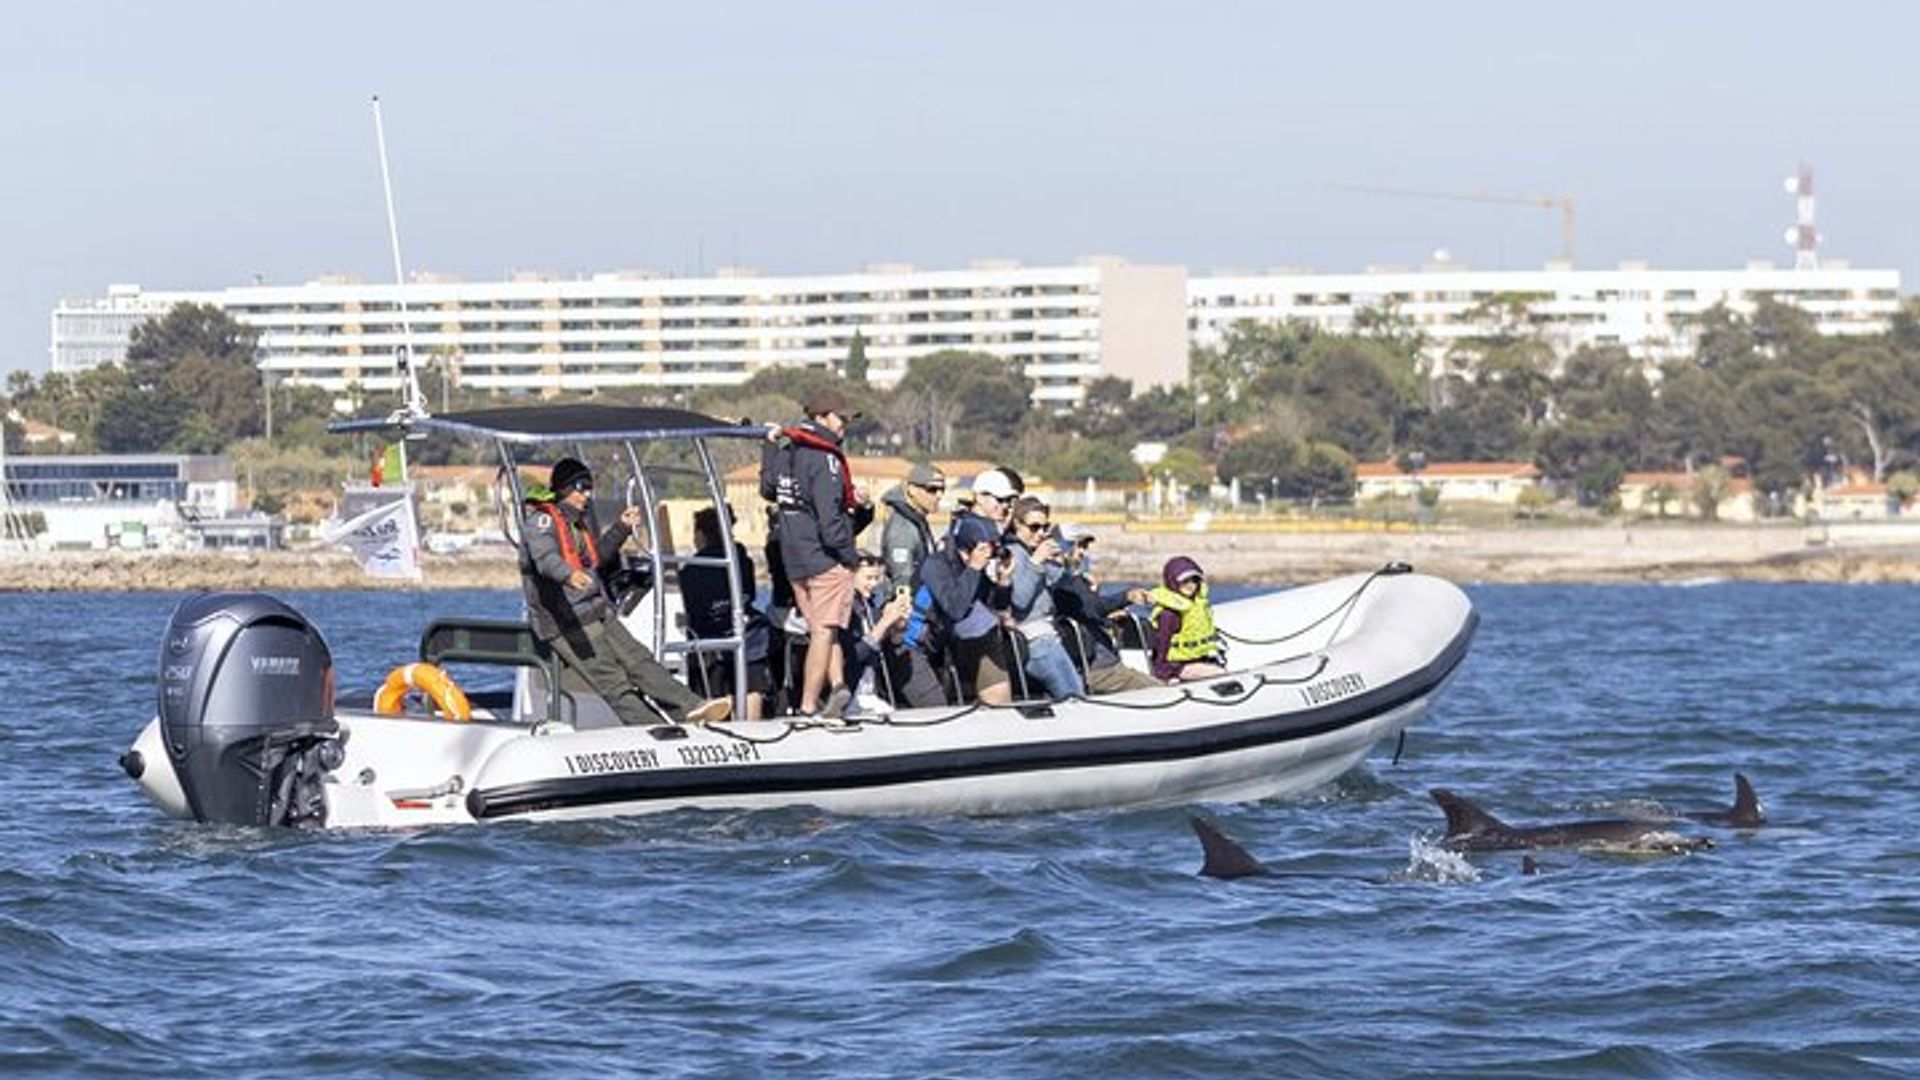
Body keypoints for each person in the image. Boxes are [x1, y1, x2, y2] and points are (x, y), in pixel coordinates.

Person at [520, 458, 731, 727]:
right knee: (614, 682)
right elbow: (545, 559)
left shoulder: (575, 524)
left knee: (640, 660)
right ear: (564, 489)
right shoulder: (541, 523)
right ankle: (653, 727)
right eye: (581, 487)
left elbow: (596, 558)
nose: (587, 494)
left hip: (594, 610)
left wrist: (621, 528)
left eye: (589, 487)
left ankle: (691, 708)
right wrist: (568, 575)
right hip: (566, 621)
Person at [761, 387, 873, 717]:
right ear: (822, 417)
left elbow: (768, 488)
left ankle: (838, 687)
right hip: (824, 558)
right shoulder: (824, 457)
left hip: (794, 559)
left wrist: (768, 446)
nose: (845, 426)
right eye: (841, 419)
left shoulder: (787, 447)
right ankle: (808, 707)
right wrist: (850, 557)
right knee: (824, 633)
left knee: (825, 627)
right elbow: (829, 519)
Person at [680, 505, 774, 720]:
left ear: (700, 534)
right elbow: (749, 594)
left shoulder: (691, 570)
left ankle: (716, 713)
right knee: (753, 667)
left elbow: (693, 608)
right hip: (745, 632)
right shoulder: (741, 559)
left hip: (710, 638)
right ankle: (753, 723)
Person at [1050, 525, 1162, 695]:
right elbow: (1090, 608)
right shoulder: (1060, 579)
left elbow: (1085, 611)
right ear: (1064, 547)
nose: (1082, 552)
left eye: (1084, 547)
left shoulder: (1071, 578)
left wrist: (1110, 612)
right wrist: (1126, 597)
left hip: (1104, 662)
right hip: (1098, 669)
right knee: (1160, 690)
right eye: (1078, 546)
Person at [914, 513, 1013, 706]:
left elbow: (998, 606)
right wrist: (973, 569)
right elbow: (955, 608)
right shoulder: (936, 565)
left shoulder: (978, 567)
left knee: (1001, 703)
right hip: (925, 644)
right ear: (966, 550)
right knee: (938, 709)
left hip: (971, 639)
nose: (988, 555)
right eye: (984, 549)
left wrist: (1003, 581)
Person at [1003, 496, 1084, 701]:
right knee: (1074, 698)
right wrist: (1036, 561)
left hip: (1048, 637)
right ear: (1017, 524)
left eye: (1044, 527)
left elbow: (1058, 583)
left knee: (1075, 694)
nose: (1040, 533)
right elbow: (1019, 600)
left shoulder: (1031, 551)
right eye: (1034, 527)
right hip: (1034, 642)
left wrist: (1068, 565)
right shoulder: (1012, 553)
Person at [846, 552, 916, 715]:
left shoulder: (870, 605)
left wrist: (897, 625)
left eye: (877, 578)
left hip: (870, 691)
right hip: (852, 692)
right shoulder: (847, 608)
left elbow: (888, 643)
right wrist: (884, 623)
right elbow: (854, 655)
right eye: (868, 578)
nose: (873, 584)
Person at [1148, 556, 1229, 682]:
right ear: (1173, 582)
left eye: (1195, 580)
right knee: (1220, 674)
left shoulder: (1198, 604)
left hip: (1198, 659)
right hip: (1175, 666)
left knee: (1216, 667)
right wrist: (1163, 672)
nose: (1191, 585)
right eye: (1185, 581)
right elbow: (1162, 644)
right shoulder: (1169, 614)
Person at [880, 463, 943, 591]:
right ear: (912, 489)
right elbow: (902, 579)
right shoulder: (902, 528)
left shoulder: (917, 519)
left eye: (942, 490)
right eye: (932, 489)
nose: (939, 495)